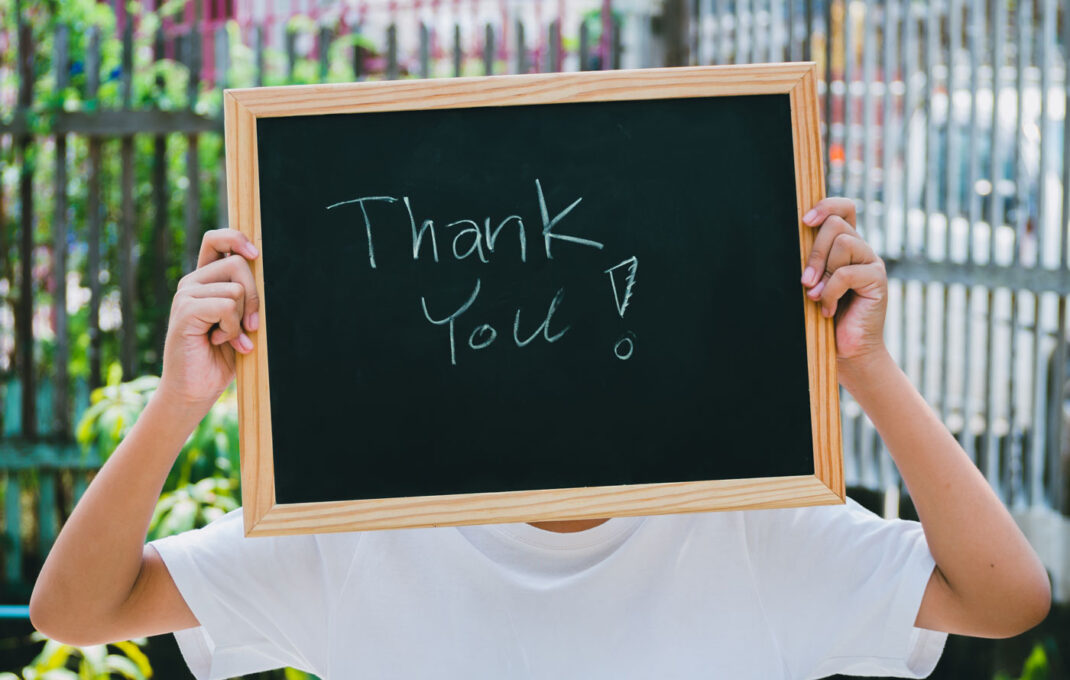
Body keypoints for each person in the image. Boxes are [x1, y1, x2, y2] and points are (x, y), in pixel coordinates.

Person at [28, 198, 1050, 679]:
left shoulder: (750, 527)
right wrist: (177, 403)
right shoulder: (355, 533)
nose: (550, 348)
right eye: (510, 318)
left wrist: (865, 369)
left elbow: (1003, 596)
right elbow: (77, 609)